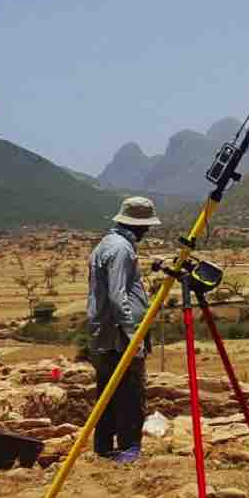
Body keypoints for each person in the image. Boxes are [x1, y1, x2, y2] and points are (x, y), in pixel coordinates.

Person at [86, 197, 160, 463]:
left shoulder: (106, 244)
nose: (147, 231)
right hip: (120, 335)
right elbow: (118, 297)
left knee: (108, 390)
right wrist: (133, 335)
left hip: (105, 333)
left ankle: (104, 446)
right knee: (130, 392)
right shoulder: (121, 249)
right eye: (146, 227)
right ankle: (129, 448)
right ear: (137, 225)